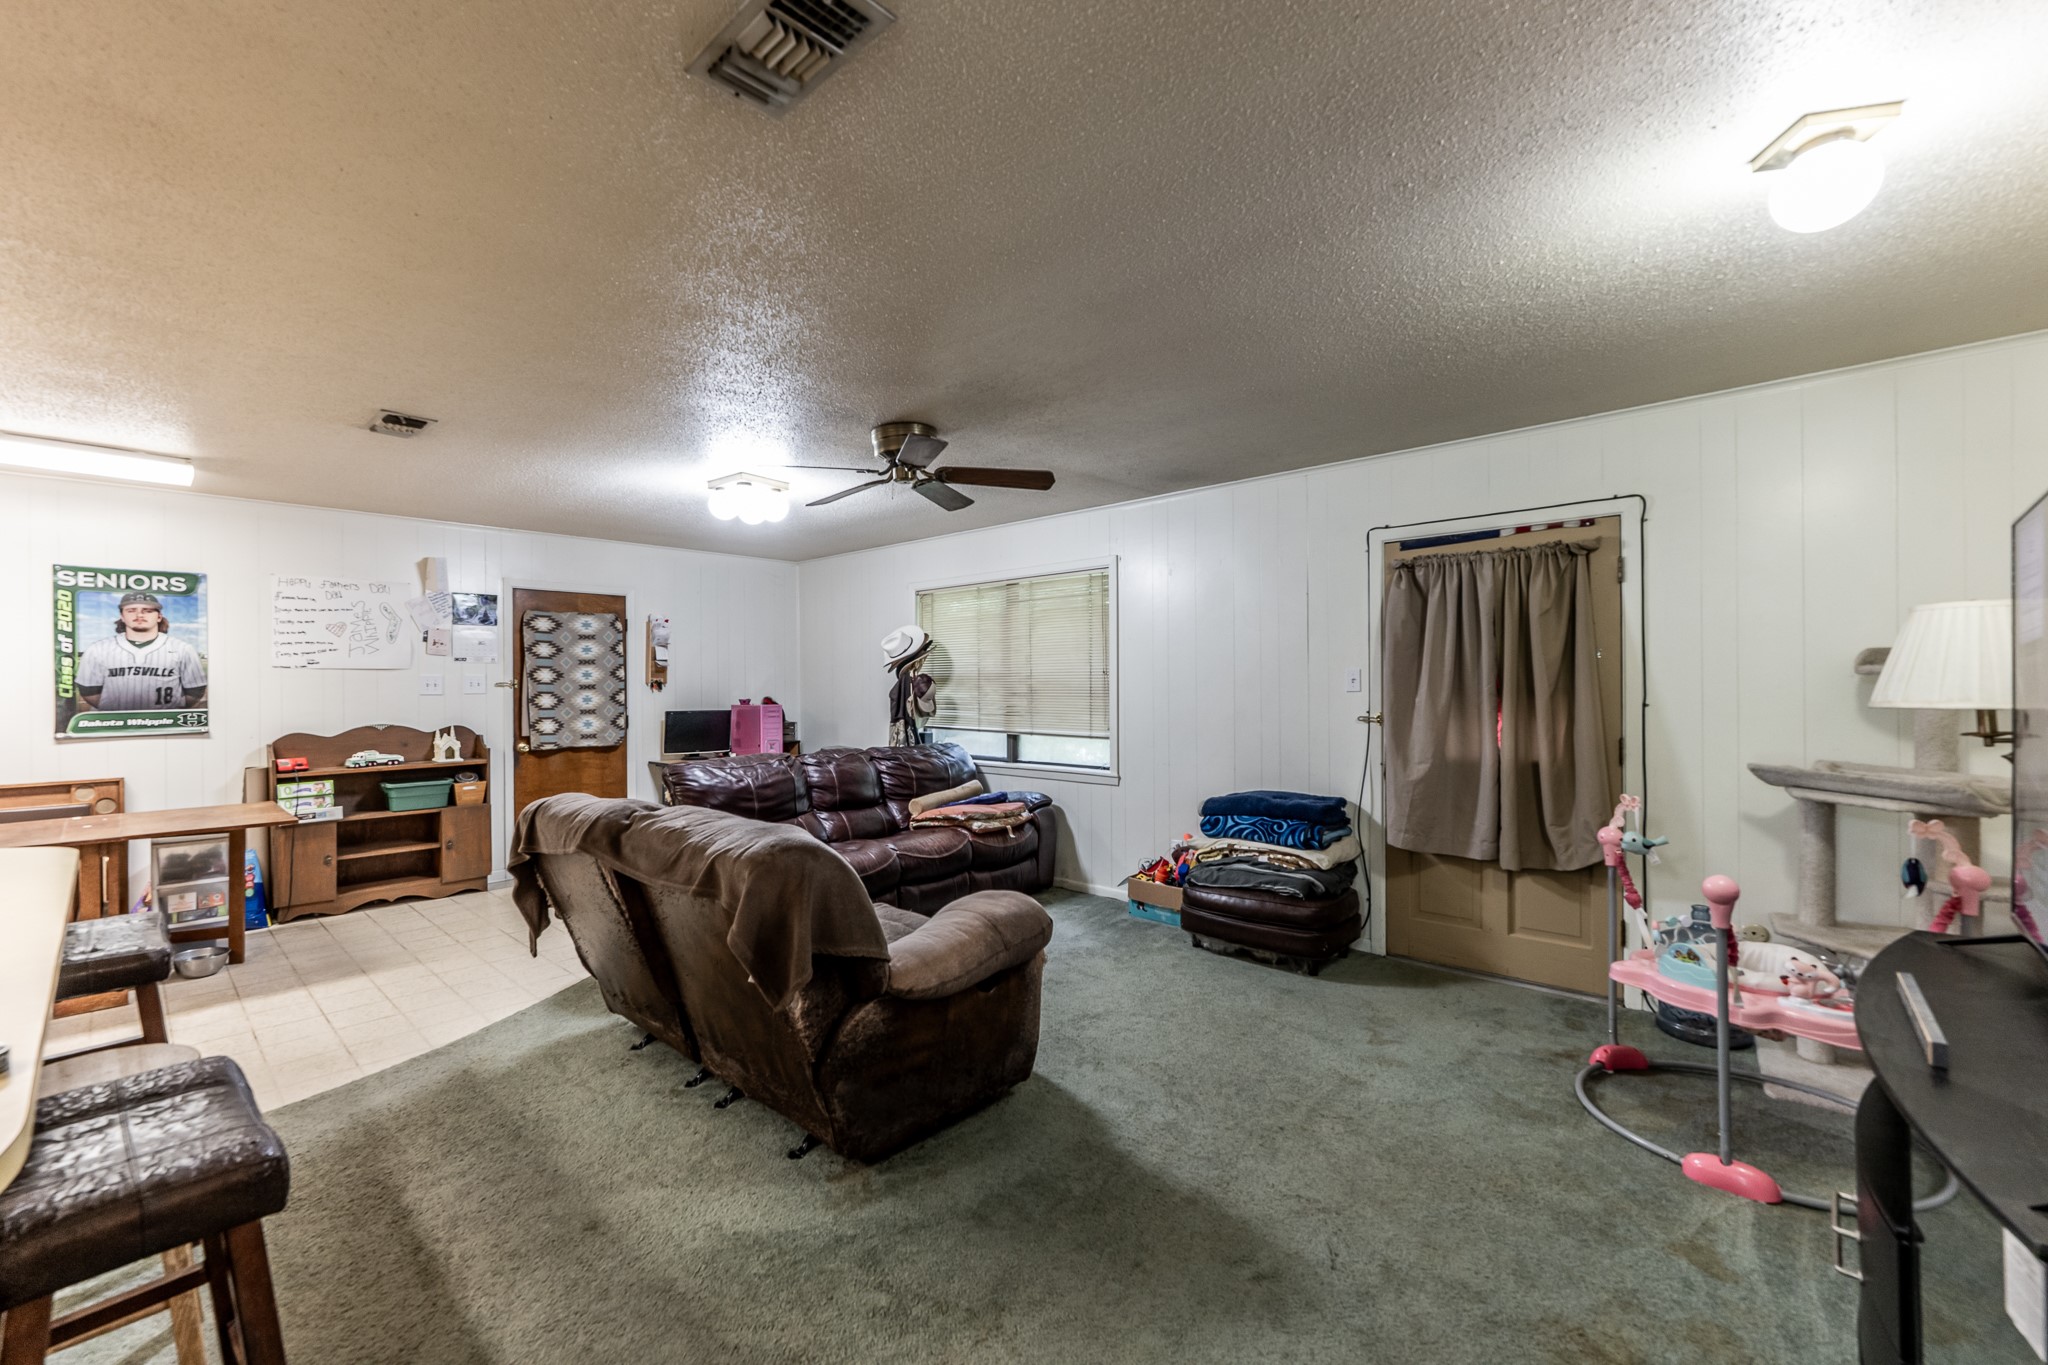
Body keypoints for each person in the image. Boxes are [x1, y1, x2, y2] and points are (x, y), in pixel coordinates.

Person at [75, 591, 208, 712]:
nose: (139, 615)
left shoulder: (183, 649)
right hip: (111, 725)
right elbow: (89, 692)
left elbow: (195, 691)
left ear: (159, 617)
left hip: (163, 725)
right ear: (122, 616)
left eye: (148, 610)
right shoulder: (98, 649)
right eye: (131, 610)